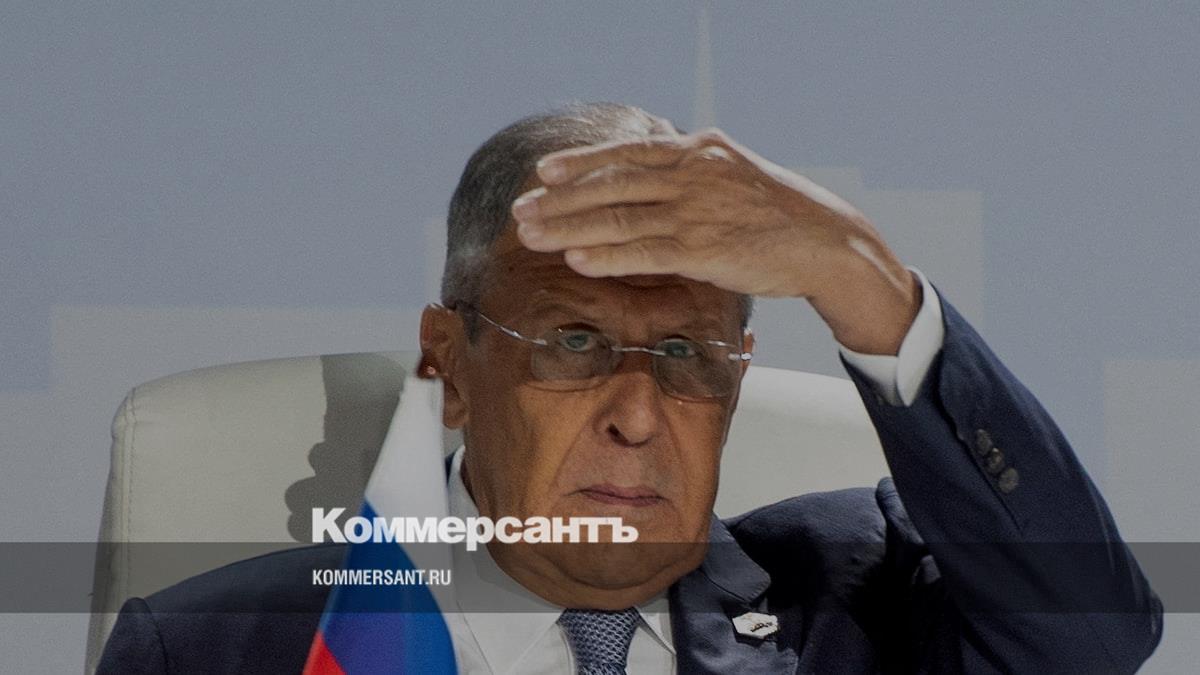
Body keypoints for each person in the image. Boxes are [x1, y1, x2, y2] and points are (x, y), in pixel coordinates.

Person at [98, 102, 1162, 674]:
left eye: (690, 355)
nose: (640, 415)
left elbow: (1095, 638)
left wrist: (860, 279)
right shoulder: (214, 650)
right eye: (572, 342)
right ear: (450, 363)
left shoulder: (864, 596)